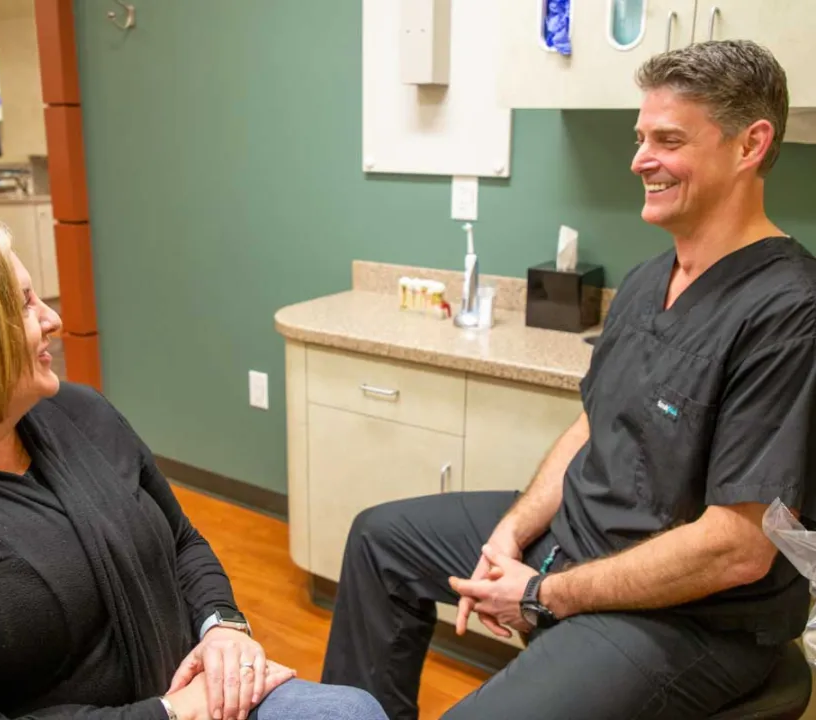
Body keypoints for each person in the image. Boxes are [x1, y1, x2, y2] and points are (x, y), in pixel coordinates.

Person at [321, 39, 816, 720]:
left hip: (694, 617)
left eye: (667, 139)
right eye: (640, 137)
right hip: (577, 540)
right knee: (380, 540)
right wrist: (512, 532)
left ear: (750, 144)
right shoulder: (648, 281)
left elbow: (736, 550)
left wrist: (541, 594)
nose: (640, 158)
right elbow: (593, 422)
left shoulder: (789, 311)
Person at [0, 213, 388, 720]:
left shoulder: (82, 413)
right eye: (25, 304)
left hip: (197, 695)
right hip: (175, 709)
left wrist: (222, 626)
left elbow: (183, 540)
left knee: (350, 711)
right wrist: (175, 710)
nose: (52, 318)